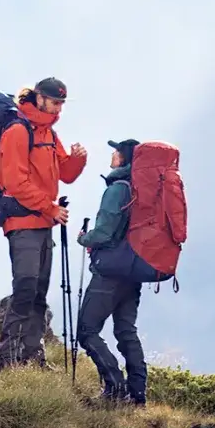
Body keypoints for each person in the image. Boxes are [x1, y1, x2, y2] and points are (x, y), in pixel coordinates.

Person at [0, 77, 87, 371]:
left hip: (44, 223)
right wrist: (51, 207)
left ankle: (33, 355)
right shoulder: (18, 130)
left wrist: (78, 160)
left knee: (39, 291)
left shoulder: (48, 133)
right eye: (55, 101)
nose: (59, 107)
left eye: (62, 103)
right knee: (25, 286)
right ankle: (7, 358)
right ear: (39, 97)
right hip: (22, 222)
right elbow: (14, 181)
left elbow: (66, 174)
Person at [76, 139, 148, 406]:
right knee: (126, 331)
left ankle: (115, 388)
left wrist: (85, 238)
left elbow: (104, 233)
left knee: (87, 330)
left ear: (123, 158)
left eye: (116, 151)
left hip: (110, 273)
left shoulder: (118, 189)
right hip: (133, 271)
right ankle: (137, 394)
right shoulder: (142, 190)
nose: (112, 154)